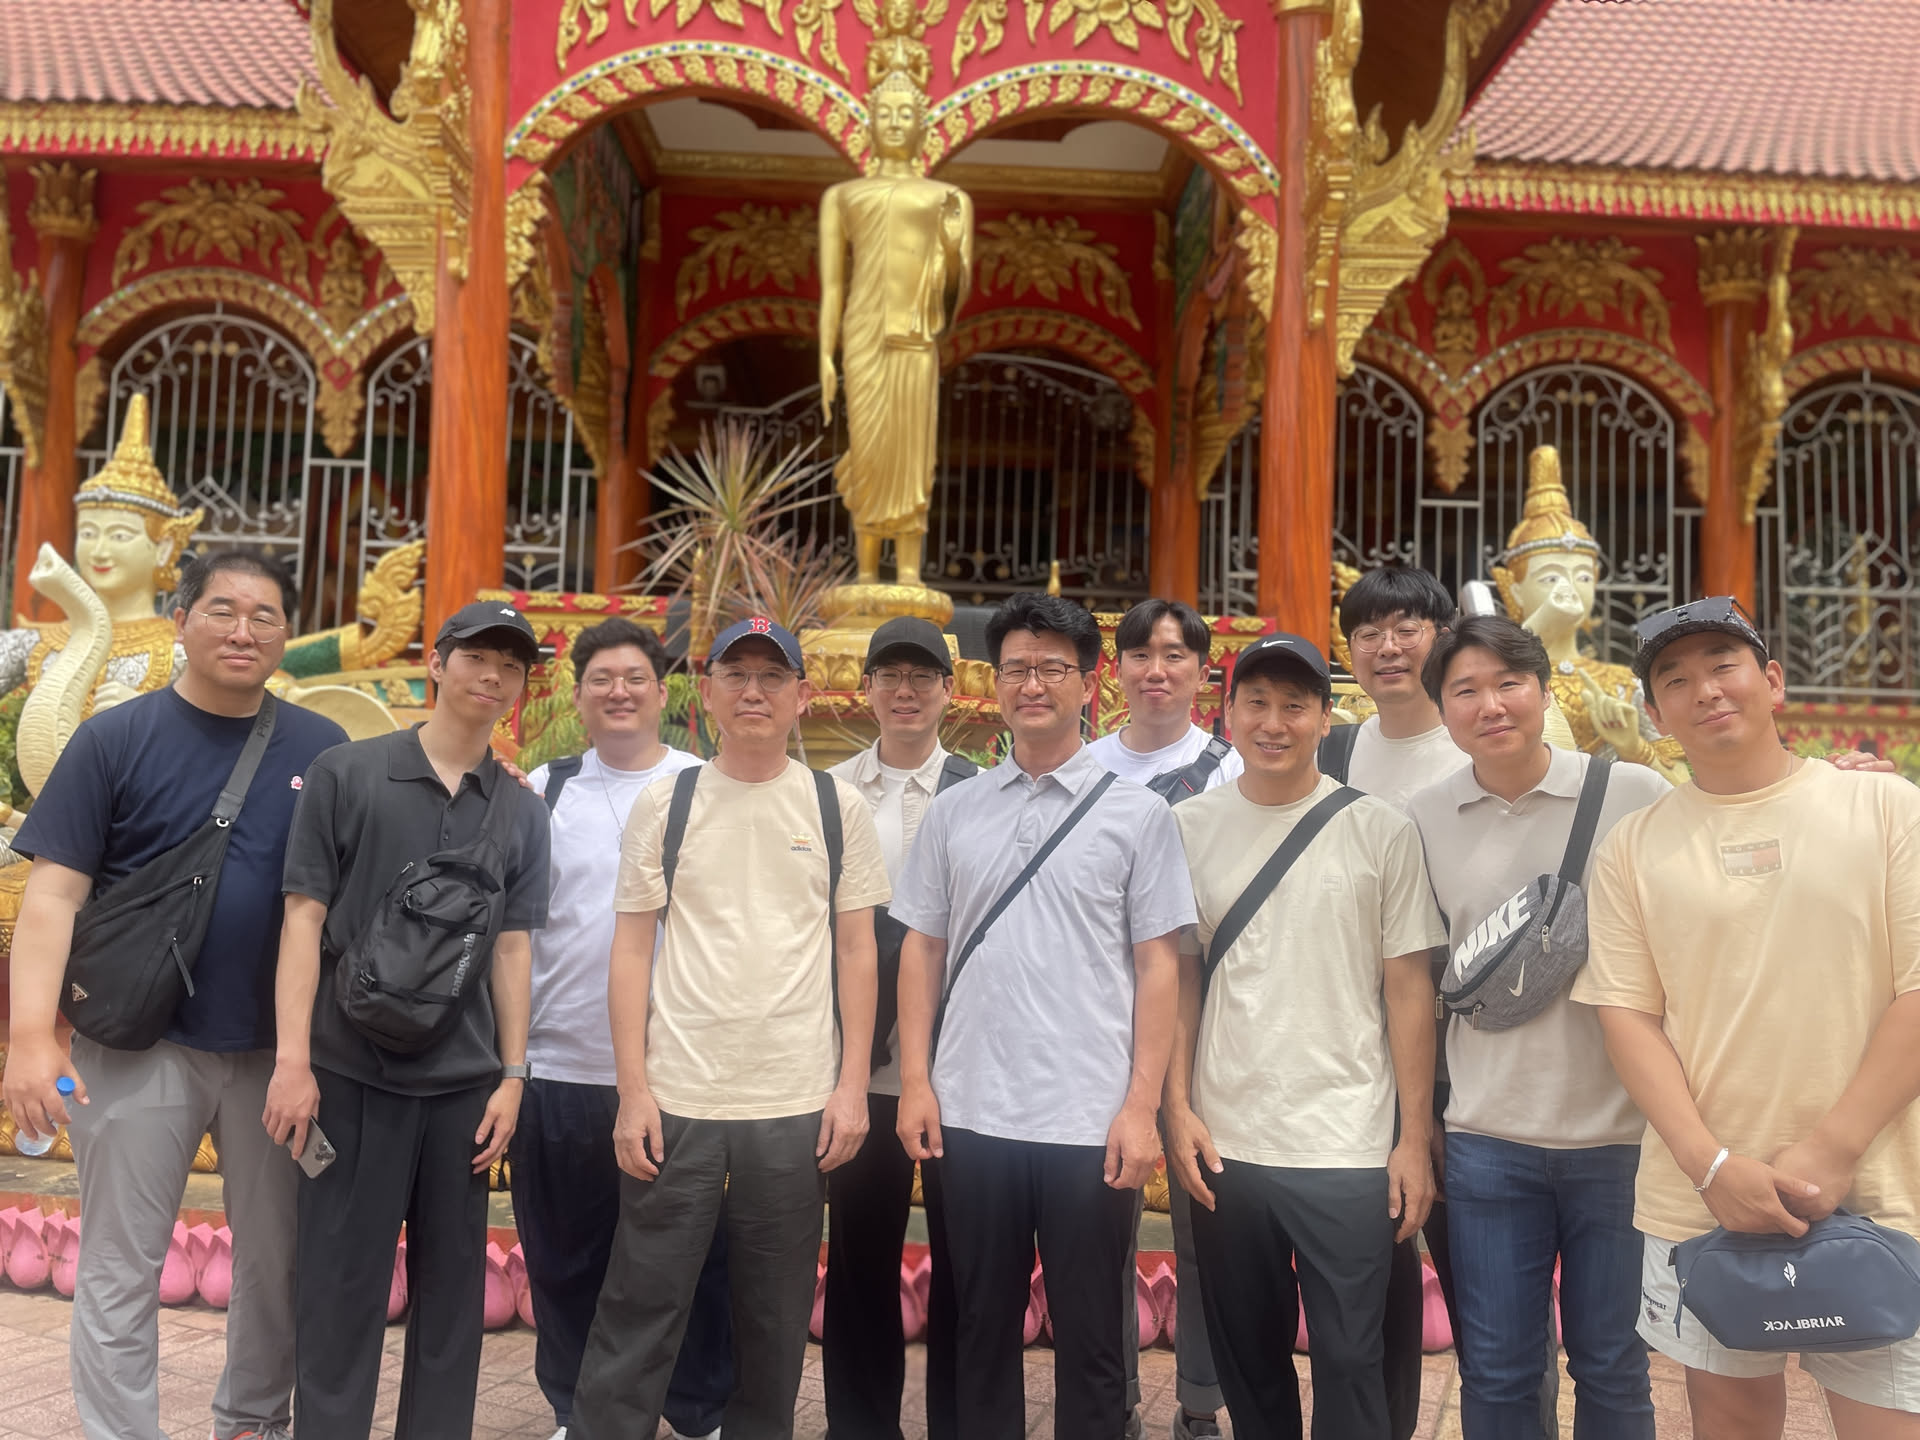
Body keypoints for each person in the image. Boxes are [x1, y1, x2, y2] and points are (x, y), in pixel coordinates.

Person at [2, 551, 346, 1440]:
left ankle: (254, 1422)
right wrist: (31, 1036)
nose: (243, 630)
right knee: (121, 1262)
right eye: (222, 610)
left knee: (276, 1260)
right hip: (135, 1045)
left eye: (265, 616)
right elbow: (53, 895)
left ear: (287, 634)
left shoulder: (324, 751)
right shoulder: (115, 739)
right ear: (182, 618)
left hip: (276, 1056)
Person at [1575, 598, 1920, 1439]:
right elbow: (1627, 1017)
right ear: (1656, 715)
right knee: (1727, 1421)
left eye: (1724, 665)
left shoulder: (1886, 809)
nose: (1706, 690)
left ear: (1772, 680)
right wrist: (1711, 1166)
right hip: (1703, 1204)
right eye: (1676, 680)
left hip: (1881, 1192)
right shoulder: (1632, 848)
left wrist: (1832, 1150)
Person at [570, 617, 887, 1440]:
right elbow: (631, 949)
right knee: (641, 1301)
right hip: (680, 1096)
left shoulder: (835, 805)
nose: (753, 692)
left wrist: (851, 1087)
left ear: (802, 696)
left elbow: (857, 949)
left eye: (772, 677)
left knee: (774, 1318)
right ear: (705, 693)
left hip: (794, 1100)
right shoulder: (668, 802)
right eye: (735, 675)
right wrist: (632, 1091)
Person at [892, 592, 1194, 1440]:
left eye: (1053, 668)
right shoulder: (956, 810)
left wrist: (1140, 1106)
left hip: (1087, 1118)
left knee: (1092, 1335)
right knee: (978, 1327)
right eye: (1016, 668)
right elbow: (922, 949)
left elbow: (1159, 966)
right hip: (971, 1111)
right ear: (993, 684)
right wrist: (916, 1081)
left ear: (1089, 684)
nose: (1033, 684)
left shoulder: (1137, 814)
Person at [266, 601, 551, 1440]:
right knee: (341, 1287)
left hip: (463, 1088)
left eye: (511, 665)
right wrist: (292, 1061)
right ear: (436, 662)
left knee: (452, 1296)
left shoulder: (522, 810)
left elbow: (512, 949)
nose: (492, 676)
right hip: (348, 1074)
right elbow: (303, 920)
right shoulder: (348, 774)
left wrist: (512, 1075)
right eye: (476, 657)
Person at [1165, 631, 1444, 1440]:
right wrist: (1175, 1107)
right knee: (1249, 1355)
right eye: (1256, 702)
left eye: (1295, 704)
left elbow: (1408, 989)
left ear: (1327, 717)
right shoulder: (1187, 826)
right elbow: (1178, 978)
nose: (1274, 722)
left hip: (1347, 1142)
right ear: (1228, 712)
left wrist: (1412, 1139)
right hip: (1228, 1141)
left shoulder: (1380, 829)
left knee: (1355, 1358)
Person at [1406, 616, 1667, 1439]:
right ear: (1442, 712)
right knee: (1499, 1368)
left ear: (1545, 692)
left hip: (1620, 1138)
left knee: (1613, 1364)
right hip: (1488, 1140)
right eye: (1465, 691)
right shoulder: (1424, 816)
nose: (1491, 705)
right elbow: (1417, 979)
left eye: (1509, 683)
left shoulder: (1635, 794)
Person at [512, 616, 732, 1440]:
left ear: (663, 691)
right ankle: (577, 1409)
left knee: (692, 1256)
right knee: (564, 1254)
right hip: (563, 1062)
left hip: (680, 1070)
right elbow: (516, 930)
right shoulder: (545, 789)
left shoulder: (705, 784)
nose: (619, 692)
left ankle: (700, 1409)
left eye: (635, 677)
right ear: (577, 696)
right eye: (601, 679)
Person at [823, 616, 975, 1440]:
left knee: (966, 1260)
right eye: (891, 676)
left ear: (951, 690)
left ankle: (957, 1421)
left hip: (960, 1073)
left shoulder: (982, 791)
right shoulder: (828, 793)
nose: (906, 692)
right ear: (868, 688)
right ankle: (860, 1424)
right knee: (858, 1257)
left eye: (923, 677)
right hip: (859, 1073)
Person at [1088, 596, 1232, 1440]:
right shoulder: (1085, 765)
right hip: (1097, 1019)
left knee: (1199, 1214)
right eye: (1139, 654)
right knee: (1098, 1222)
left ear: (1202, 673)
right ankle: (1113, 1401)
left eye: (1174, 655)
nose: (1156, 670)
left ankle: (1200, 1401)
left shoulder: (1229, 768)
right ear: (1116, 671)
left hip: (1199, 1023)